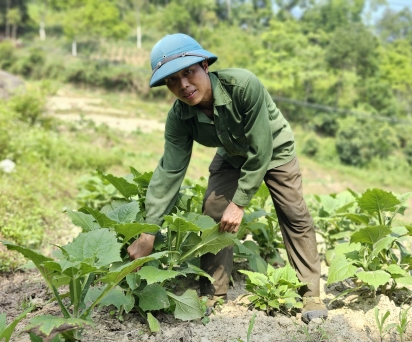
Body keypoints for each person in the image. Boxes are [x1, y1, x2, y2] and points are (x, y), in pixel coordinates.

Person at [127, 33, 328, 323]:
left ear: (205, 66)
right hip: (232, 153)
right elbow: (169, 172)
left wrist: (240, 202)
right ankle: (212, 292)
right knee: (213, 210)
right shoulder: (179, 118)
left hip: (273, 148)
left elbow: (261, 150)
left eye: (189, 72)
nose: (183, 85)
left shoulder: (243, 85)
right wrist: (148, 233)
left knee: (294, 212)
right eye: (172, 80)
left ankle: (310, 294)